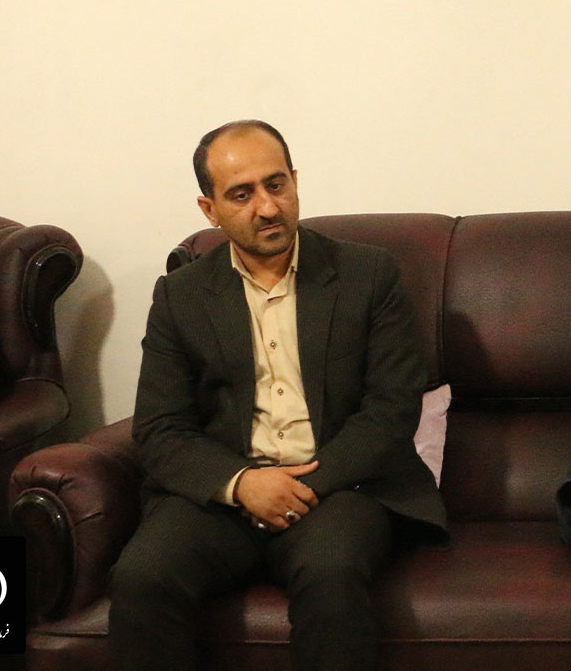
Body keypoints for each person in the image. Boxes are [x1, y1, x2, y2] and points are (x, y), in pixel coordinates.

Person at [108, 120, 448, 670]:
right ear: (210, 209)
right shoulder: (181, 295)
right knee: (143, 576)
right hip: (226, 490)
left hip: (342, 485)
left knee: (331, 570)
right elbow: (160, 427)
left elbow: (391, 409)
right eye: (242, 195)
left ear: (294, 180)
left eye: (276, 185)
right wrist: (244, 484)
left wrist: (295, 489)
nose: (268, 207)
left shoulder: (368, 274)